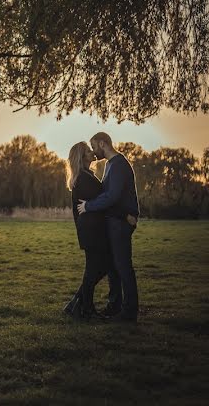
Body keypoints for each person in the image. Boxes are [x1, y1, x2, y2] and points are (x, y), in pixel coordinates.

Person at [77, 132, 140, 322]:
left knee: (123, 266)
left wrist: (88, 205)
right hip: (115, 220)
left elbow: (112, 196)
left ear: (103, 143)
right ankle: (115, 307)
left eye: (94, 147)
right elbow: (108, 194)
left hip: (121, 223)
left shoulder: (119, 165)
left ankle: (129, 312)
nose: (94, 152)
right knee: (114, 268)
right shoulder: (110, 165)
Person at [63, 141, 109, 319]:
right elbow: (103, 199)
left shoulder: (85, 176)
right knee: (97, 268)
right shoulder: (83, 179)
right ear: (82, 158)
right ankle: (85, 308)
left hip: (91, 230)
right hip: (92, 231)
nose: (92, 154)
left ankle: (77, 304)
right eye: (89, 152)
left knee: (98, 267)